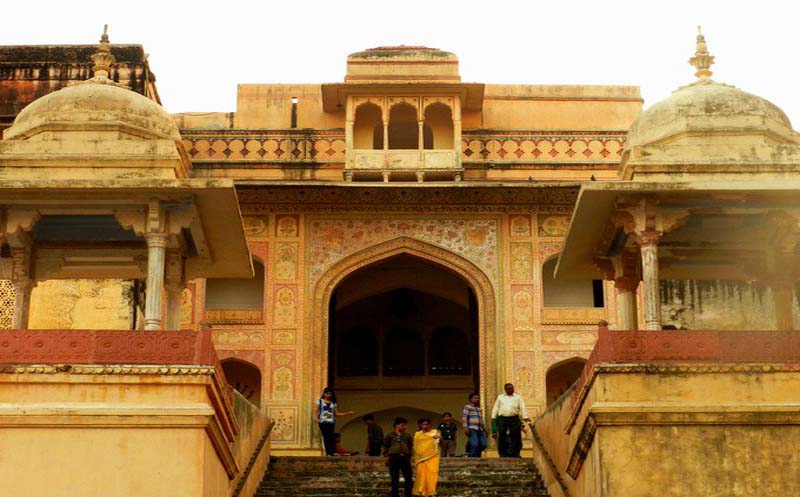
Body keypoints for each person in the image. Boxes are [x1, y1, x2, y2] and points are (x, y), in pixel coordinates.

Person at [491, 383, 530, 458]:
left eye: (512, 388)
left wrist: (525, 416)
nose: (511, 390)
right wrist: (493, 416)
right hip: (503, 418)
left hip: (514, 418)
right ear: (505, 390)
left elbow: (522, 407)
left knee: (516, 436)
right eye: (509, 389)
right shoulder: (500, 397)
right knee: (502, 436)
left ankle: (516, 453)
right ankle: (502, 454)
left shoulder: (518, 397)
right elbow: (496, 407)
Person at [312, 387, 353, 456]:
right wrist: (317, 420)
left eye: (330, 394)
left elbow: (336, 414)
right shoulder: (320, 402)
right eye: (327, 393)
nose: (328, 395)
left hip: (331, 422)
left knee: (331, 437)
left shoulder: (333, 403)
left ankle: (331, 452)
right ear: (324, 394)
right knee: (326, 436)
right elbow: (315, 412)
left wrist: (348, 413)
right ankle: (328, 452)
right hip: (323, 422)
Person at [384, 417, 414, 497]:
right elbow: (386, 446)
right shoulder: (390, 435)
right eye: (402, 425)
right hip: (393, 457)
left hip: (405, 457)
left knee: (408, 477)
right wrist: (386, 457)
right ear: (397, 425)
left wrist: (409, 455)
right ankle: (394, 494)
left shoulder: (407, 435)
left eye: (405, 425)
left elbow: (410, 446)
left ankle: (408, 494)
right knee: (394, 478)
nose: (405, 427)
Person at [412, 417, 441, 497]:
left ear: (430, 424)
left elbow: (441, 444)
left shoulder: (435, 433)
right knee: (420, 474)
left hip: (433, 457)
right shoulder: (417, 434)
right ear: (420, 425)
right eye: (423, 424)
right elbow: (416, 447)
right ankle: (419, 491)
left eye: (427, 424)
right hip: (421, 458)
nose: (425, 426)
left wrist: (439, 438)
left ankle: (431, 492)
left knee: (432, 474)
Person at [461, 392, 487, 457]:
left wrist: (484, 429)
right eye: (475, 398)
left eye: (478, 398)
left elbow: (481, 420)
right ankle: (473, 457)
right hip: (472, 428)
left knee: (483, 444)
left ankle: (473, 453)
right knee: (474, 444)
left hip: (480, 429)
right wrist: (465, 427)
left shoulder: (479, 409)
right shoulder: (467, 407)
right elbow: (464, 417)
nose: (477, 399)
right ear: (470, 399)